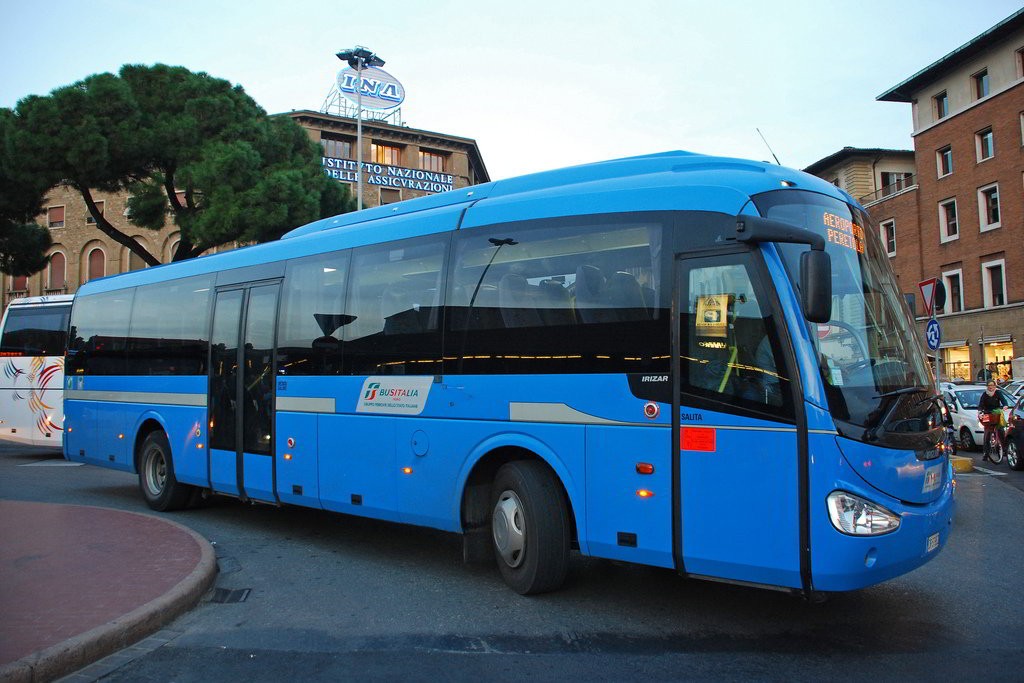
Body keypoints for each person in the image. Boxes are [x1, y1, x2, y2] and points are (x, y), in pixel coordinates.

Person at [977, 380, 1004, 462]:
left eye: (992, 385)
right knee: (987, 433)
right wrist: (980, 411)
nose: (990, 387)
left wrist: (1005, 406)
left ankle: (1003, 448)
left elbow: (1004, 401)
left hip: (996, 413)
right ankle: (986, 453)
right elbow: (981, 405)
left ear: (995, 386)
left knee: (1001, 430)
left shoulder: (998, 393)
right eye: (989, 385)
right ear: (987, 386)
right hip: (987, 414)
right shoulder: (985, 394)